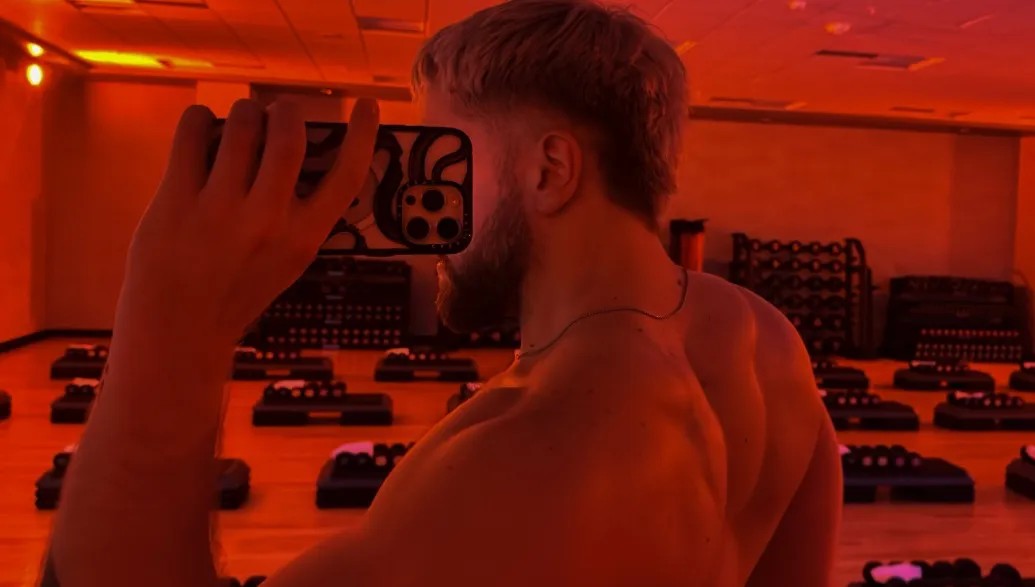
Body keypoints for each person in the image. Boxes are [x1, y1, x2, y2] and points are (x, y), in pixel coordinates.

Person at [47, 1, 842, 586]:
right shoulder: (769, 344)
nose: (420, 210)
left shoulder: (519, 453)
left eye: (444, 159)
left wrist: (171, 321)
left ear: (548, 169)